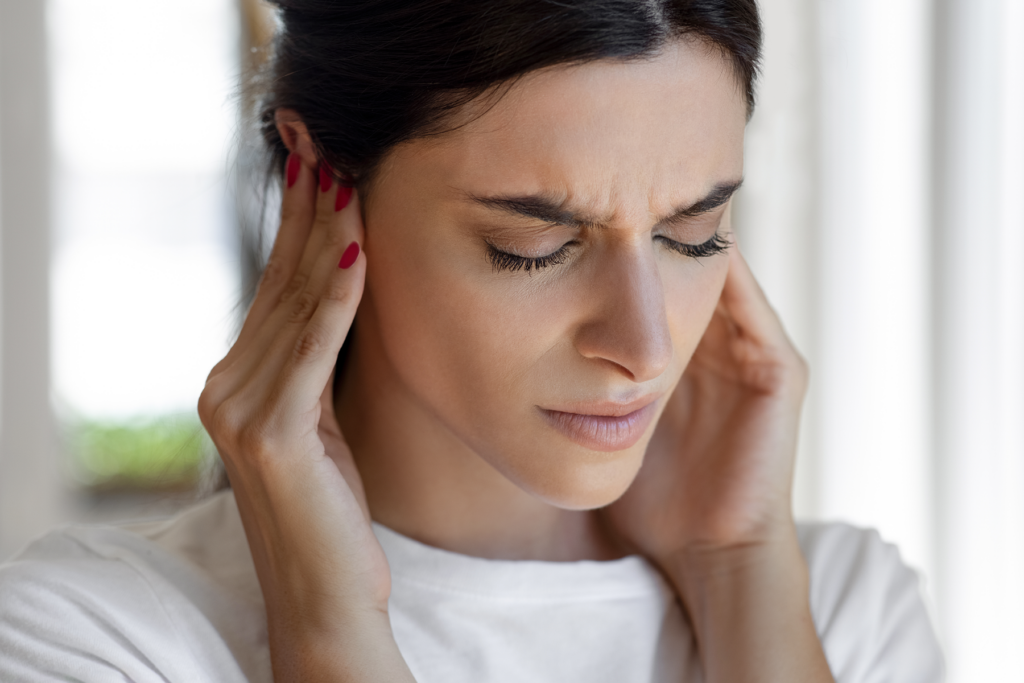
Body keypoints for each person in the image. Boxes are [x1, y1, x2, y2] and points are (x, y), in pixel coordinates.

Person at [0, 1, 944, 681]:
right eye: (532, 246)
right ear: (320, 182)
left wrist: (743, 576)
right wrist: (332, 635)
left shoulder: (841, 611)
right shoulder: (95, 639)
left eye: (691, 234)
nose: (646, 345)